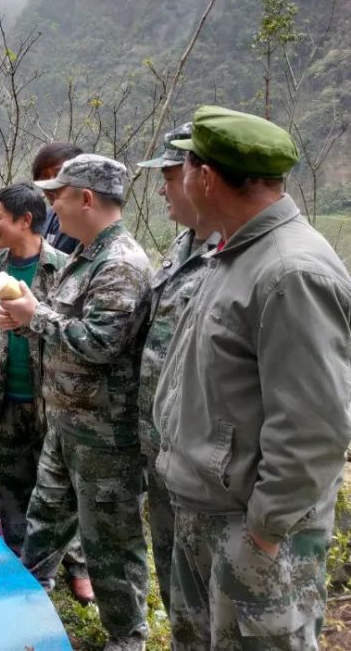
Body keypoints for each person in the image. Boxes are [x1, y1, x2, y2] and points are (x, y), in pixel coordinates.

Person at [154, 106, 351, 649]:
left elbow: (315, 427)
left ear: (207, 177)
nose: (178, 180)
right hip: (209, 513)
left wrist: (264, 532)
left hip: (254, 530)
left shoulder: (291, 271)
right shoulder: (233, 252)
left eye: (183, 167)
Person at [0, 155, 152, 649]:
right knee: (47, 518)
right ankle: (29, 598)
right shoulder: (88, 255)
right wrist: (28, 317)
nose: (50, 207)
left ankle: (127, 637)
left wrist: (33, 316)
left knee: (109, 540)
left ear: (86, 198)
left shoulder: (120, 263)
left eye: (56, 196)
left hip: (104, 434)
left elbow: (101, 341)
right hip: (68, 423)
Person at [0, 183, 94, 604]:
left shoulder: (65, 269)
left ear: (26, 220)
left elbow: (75, 334)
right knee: (13, 485)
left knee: (61, 487)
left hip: (54, 400)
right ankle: (20, 564)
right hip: (6, 398)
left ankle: (77, 563)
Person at [133, 123, 220, 613]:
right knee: (176, 587)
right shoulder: (182, 247)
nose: (163, 187)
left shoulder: (244, 258)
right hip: (163, 451)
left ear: (202, 177)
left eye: (170, 175)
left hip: (210, 470)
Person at [32, 142, 83, 255]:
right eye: (44, 176)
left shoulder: (86, 223)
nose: (51, 182)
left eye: (59, 173)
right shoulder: (43, 216)